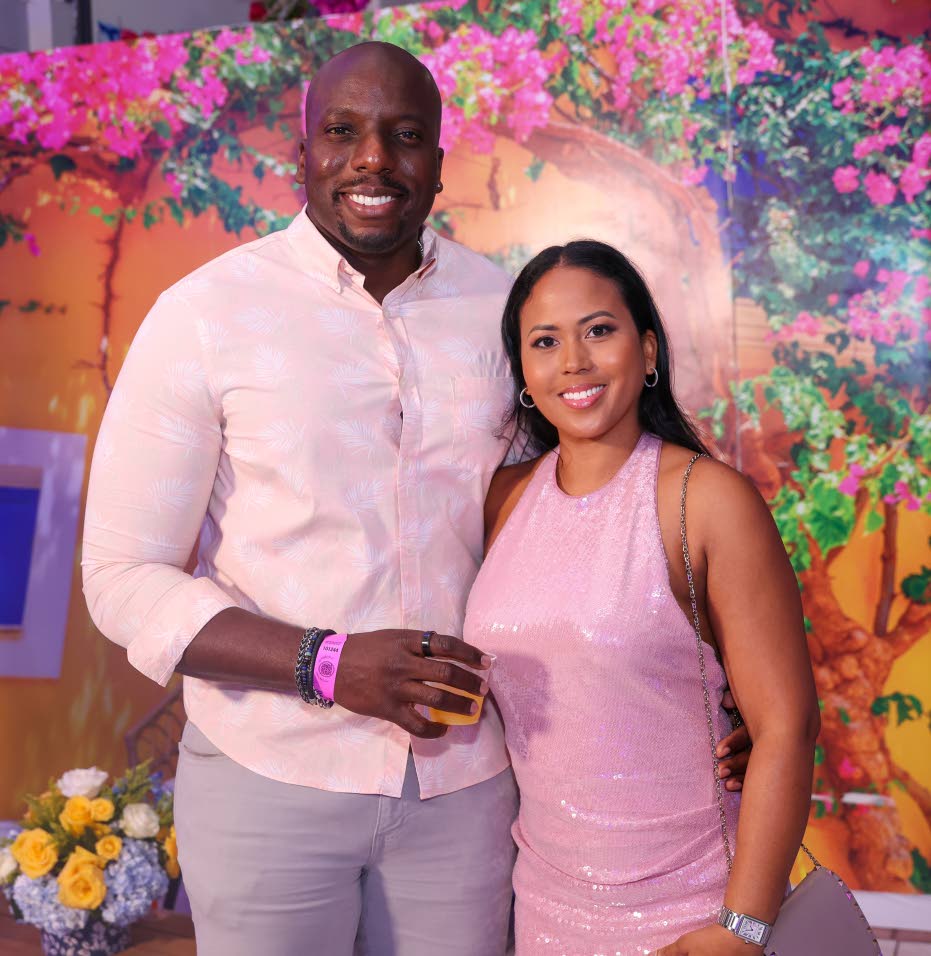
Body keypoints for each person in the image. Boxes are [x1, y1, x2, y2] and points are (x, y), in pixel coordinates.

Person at [81, 41, 751, 956]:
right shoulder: (205, 315)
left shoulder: (507, 315)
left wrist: (719, 691)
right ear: (303, 153)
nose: (372, 159)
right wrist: (325, 663)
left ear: (437, 164)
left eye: (403, 136)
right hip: (268, 776)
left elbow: (590, 512)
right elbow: (123, 576)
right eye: (342, 132)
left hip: (469, 788)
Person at [466, 241, 819, 955]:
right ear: (523, 373)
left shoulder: (707, 500)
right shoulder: (502, 499)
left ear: (648, 349)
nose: (574, 361)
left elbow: (786, 725)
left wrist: (741, 929)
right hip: (545, 912)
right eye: (545, 341)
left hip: (692, 914)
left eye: (599, 330)